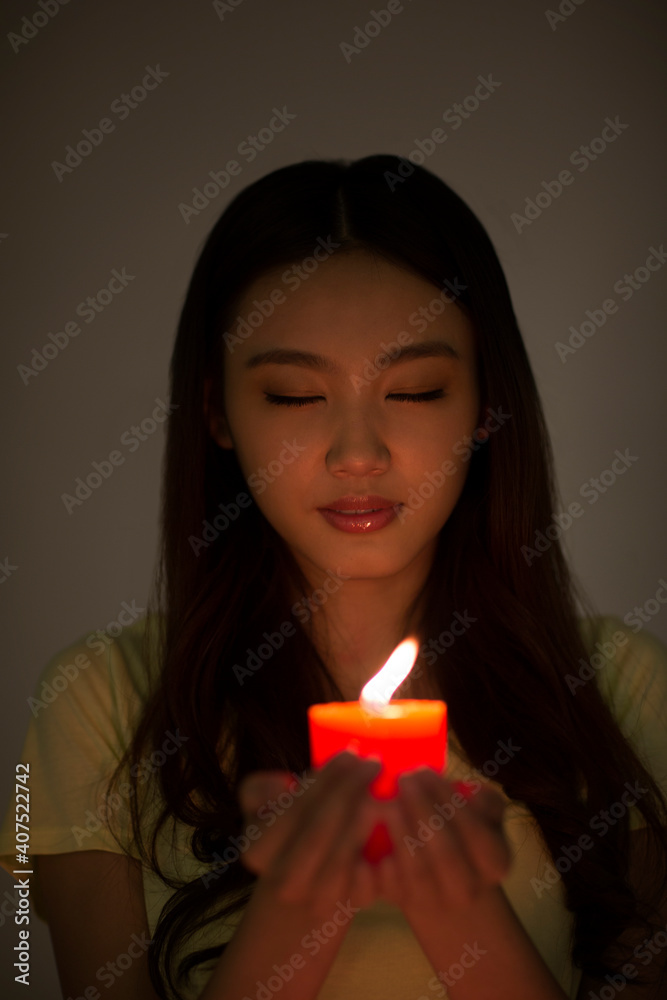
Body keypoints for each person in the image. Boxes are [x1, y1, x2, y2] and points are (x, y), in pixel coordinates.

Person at [2, 154, 667, 1000]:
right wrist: (301, 907)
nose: (358, 455)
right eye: (292, 396)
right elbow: (22, 964)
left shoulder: (621, 694)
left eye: (416, 390)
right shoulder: (99, 702)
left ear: (487, 405)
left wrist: (457, 913)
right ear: (216, 413)